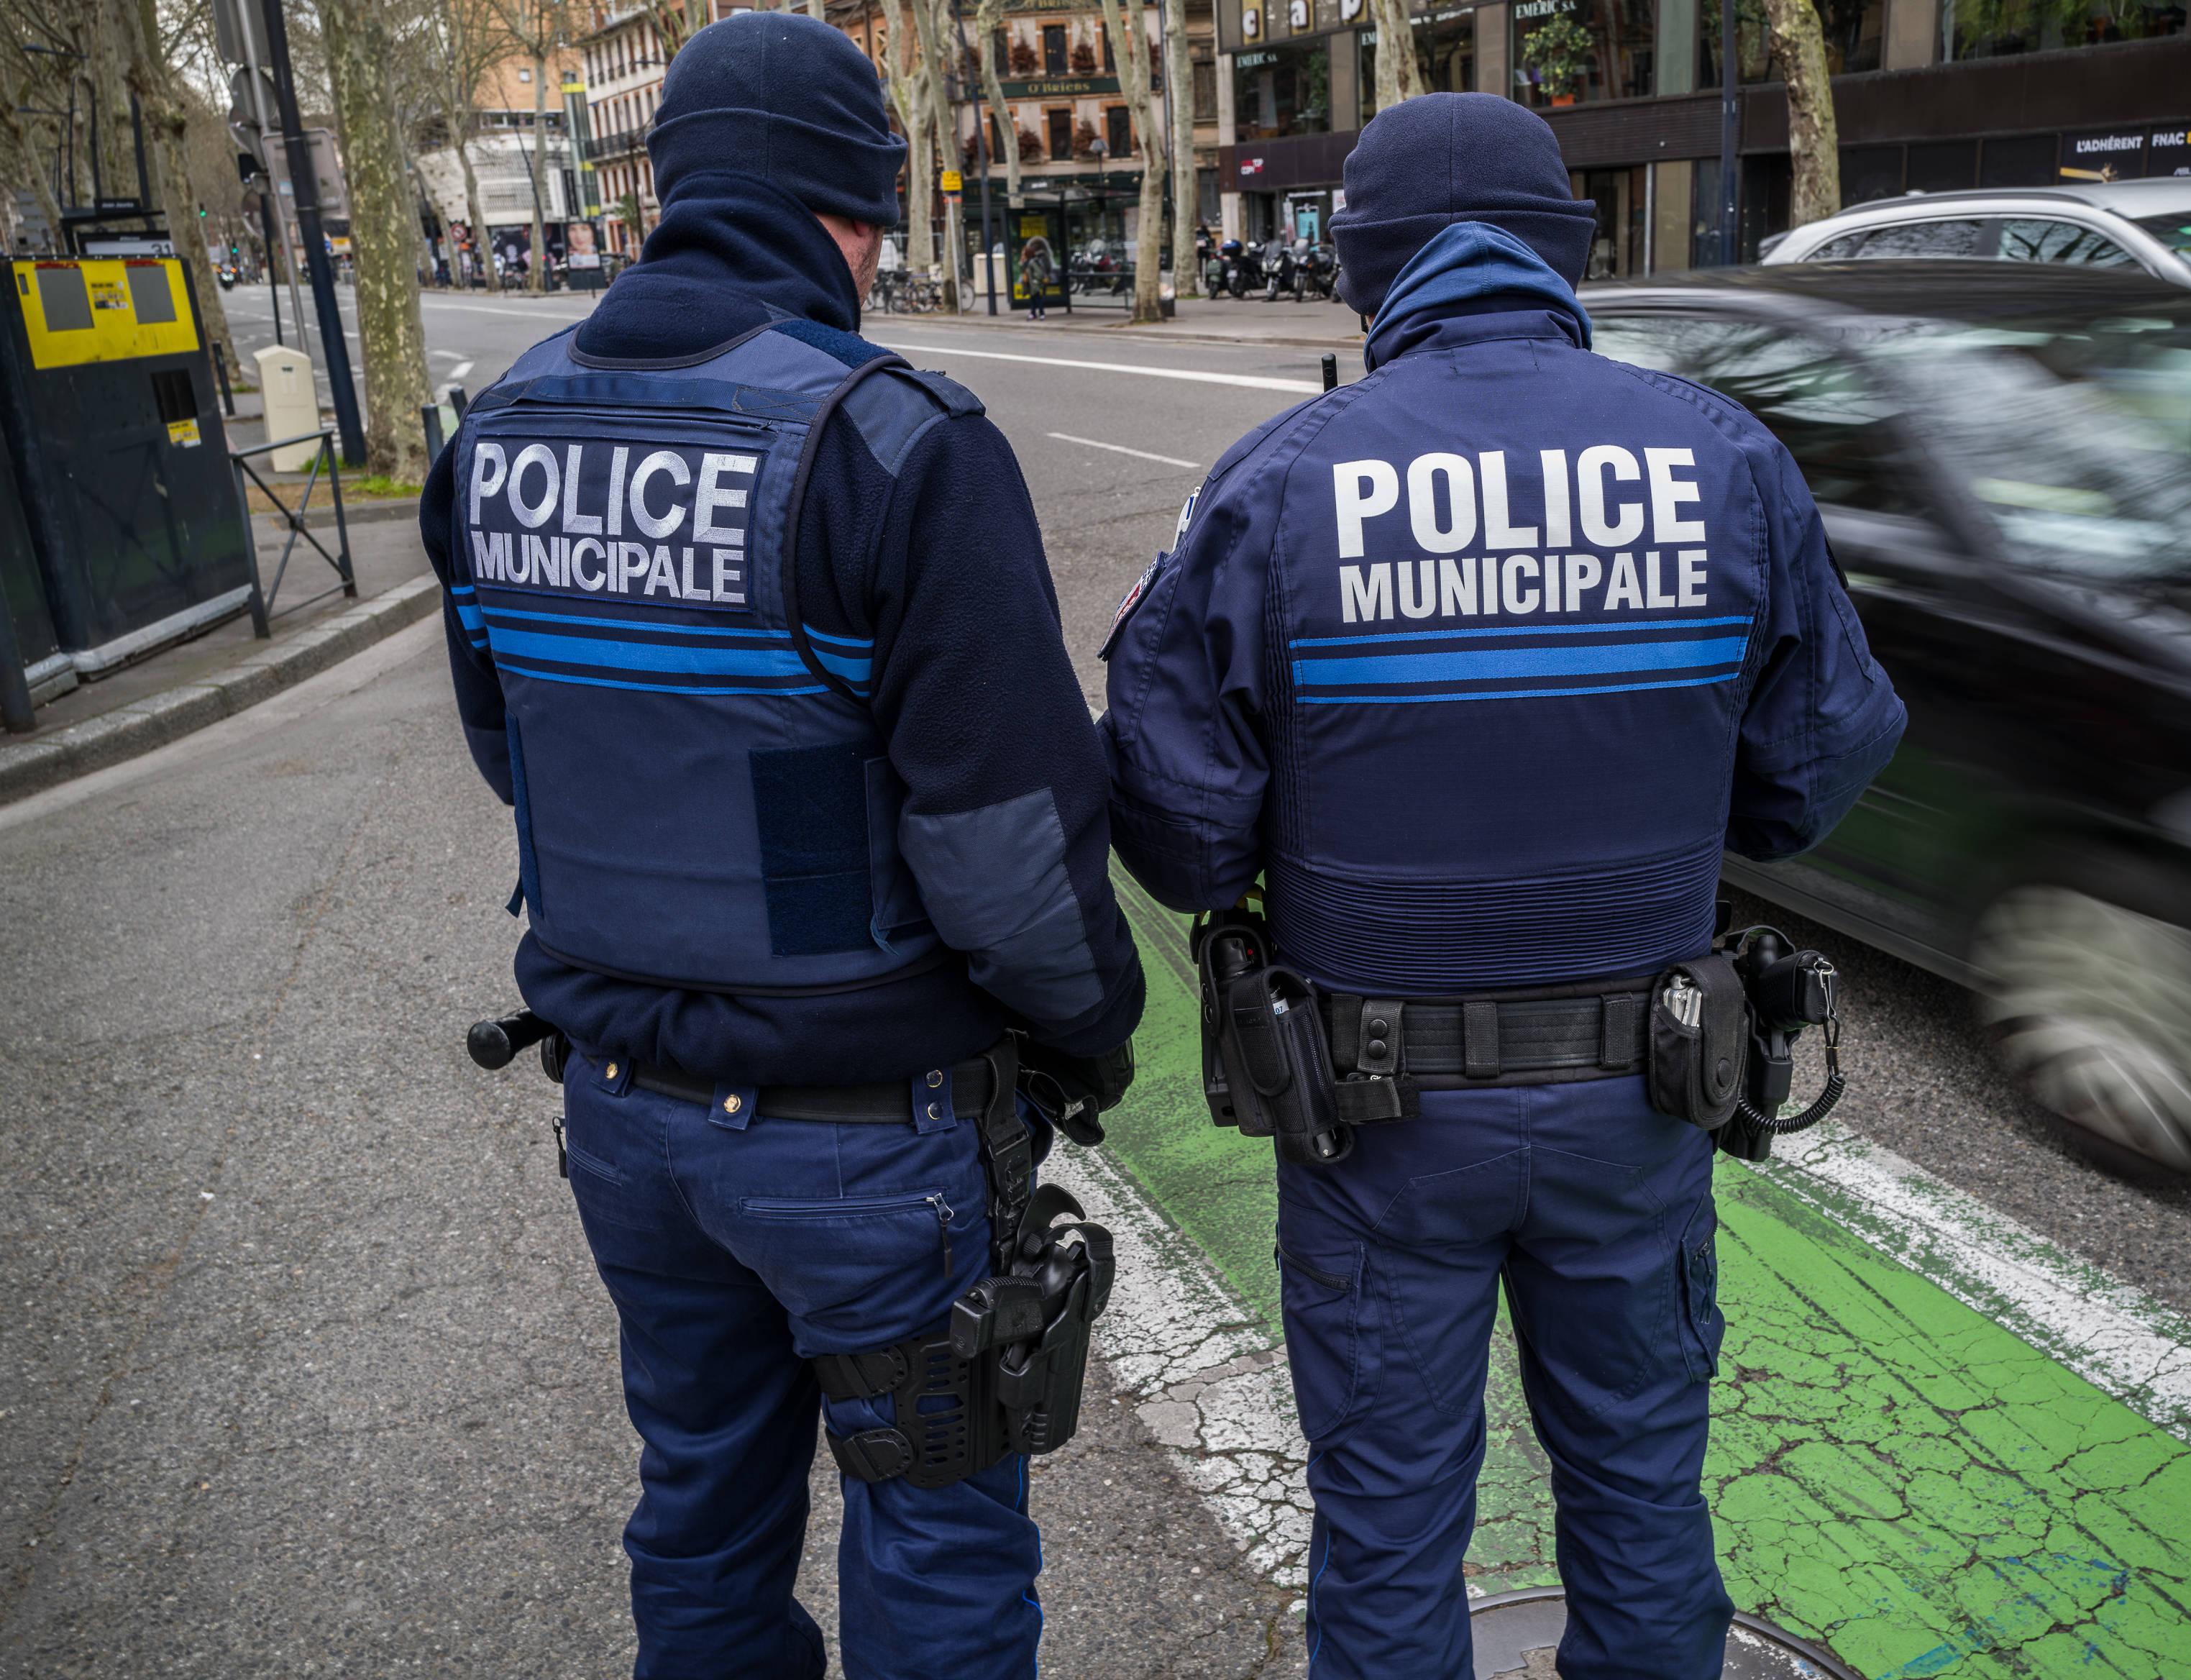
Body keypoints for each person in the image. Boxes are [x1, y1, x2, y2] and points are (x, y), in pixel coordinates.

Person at [1099, 93, 1905, 1679]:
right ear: (1567, 252)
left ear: (1364, 268)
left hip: (1374, 1117)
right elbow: (1812, 778)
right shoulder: (1722, 460)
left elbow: (1180, 833)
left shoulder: (1279, 483)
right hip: (1645, 1094)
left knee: (1389, 1525)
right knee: (1639, 1488)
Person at [418, 13, 1144, 1678]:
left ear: (672, 191)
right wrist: (1091, 1030)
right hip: (866, 1142)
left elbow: (513, 751)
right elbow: (1004, 843)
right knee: (939, 1526)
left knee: (702, 1511)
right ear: (853, 211)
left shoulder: (501, 439)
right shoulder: (894, 441)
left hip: (625, 1118)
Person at [1021, 237, 1052, 319]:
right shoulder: (1027, 262)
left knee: (1037, 299)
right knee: (1033, 300)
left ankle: (1041, 314)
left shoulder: (1032, 262)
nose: (1023, 255)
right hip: (1031, 284)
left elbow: (1039, 273)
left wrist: (1035, 281)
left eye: (1024, 253)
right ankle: (1033, 313)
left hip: (1035, 284)